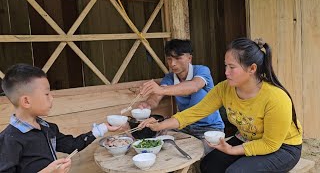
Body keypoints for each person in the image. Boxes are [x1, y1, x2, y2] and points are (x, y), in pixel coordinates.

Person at [139, 37, 303, 173]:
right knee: (209, 165)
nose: (226, 72)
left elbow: (270, 144)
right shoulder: (225, 88)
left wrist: (233, 150)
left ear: (252, 68)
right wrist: (159, 125)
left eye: (232, 67)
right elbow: (194, 112)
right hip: (248, 139)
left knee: (236, 172)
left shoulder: (276, 98)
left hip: (283, 148)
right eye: (226, 66)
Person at [0, 64, 121, 173]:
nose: (52, 98)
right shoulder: (9, 140)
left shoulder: (47, 128)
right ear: (26, 101)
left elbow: (72, 145)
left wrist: (101, 128)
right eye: (47, 94)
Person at [138, 39, 225, 154]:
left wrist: (161, 89)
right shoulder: (169, 78)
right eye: (169, 59)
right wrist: (148, 104)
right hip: (184, 125)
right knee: (158, 141)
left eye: (178, 58)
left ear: (189, 58)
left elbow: (194, 86)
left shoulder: (202, 70)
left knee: (207, 158)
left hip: (210, 128)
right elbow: (156, 97)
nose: (172, 63)